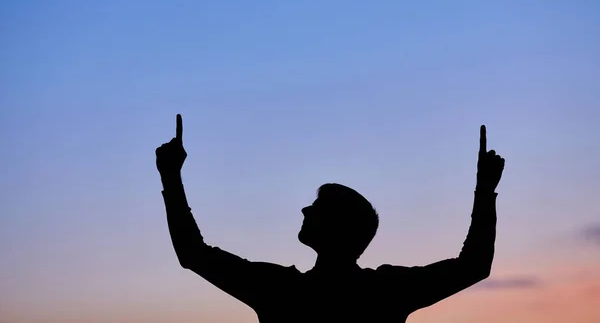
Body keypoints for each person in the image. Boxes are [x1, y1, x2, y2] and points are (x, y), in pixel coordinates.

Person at [156, 114, 505, 323]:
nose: (305, 210)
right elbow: (473, 266)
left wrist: (171, 178)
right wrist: (485, 190)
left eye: (317, 207)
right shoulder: (386, 292)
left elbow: (193, 254)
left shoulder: (280, 290)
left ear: (339, 227)